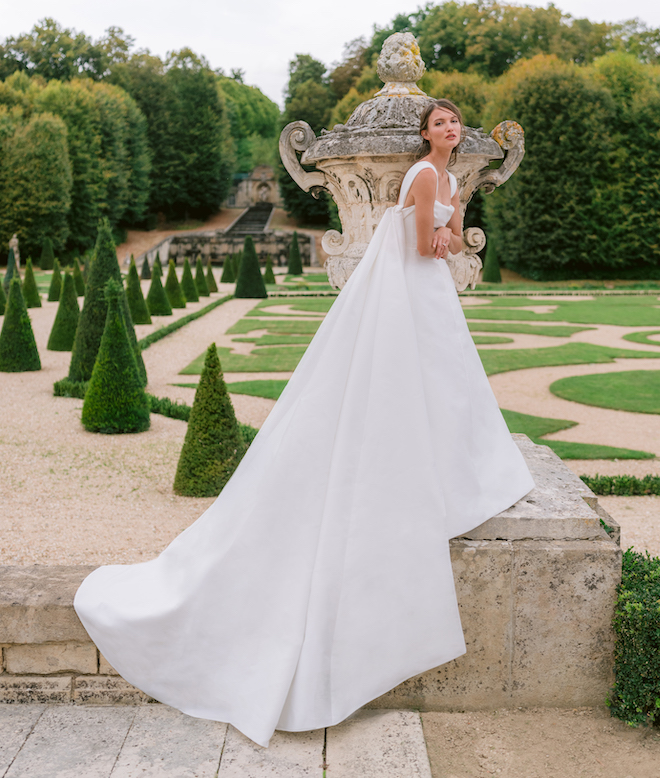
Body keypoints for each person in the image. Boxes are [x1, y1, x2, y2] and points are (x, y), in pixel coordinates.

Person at [74, 98, 534, 748]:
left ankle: (453, 461)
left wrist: (449, 227)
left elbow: (444, 234)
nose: (449, 131)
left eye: (453, 124)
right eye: (440, 125)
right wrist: (448, 230)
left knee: (445, 383)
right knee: (439, 379)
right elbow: (428, 244)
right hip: (418, 283)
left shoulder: (444, 174)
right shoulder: (428, 175)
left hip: (421, 287)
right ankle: (455, 469)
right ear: (426, 133)